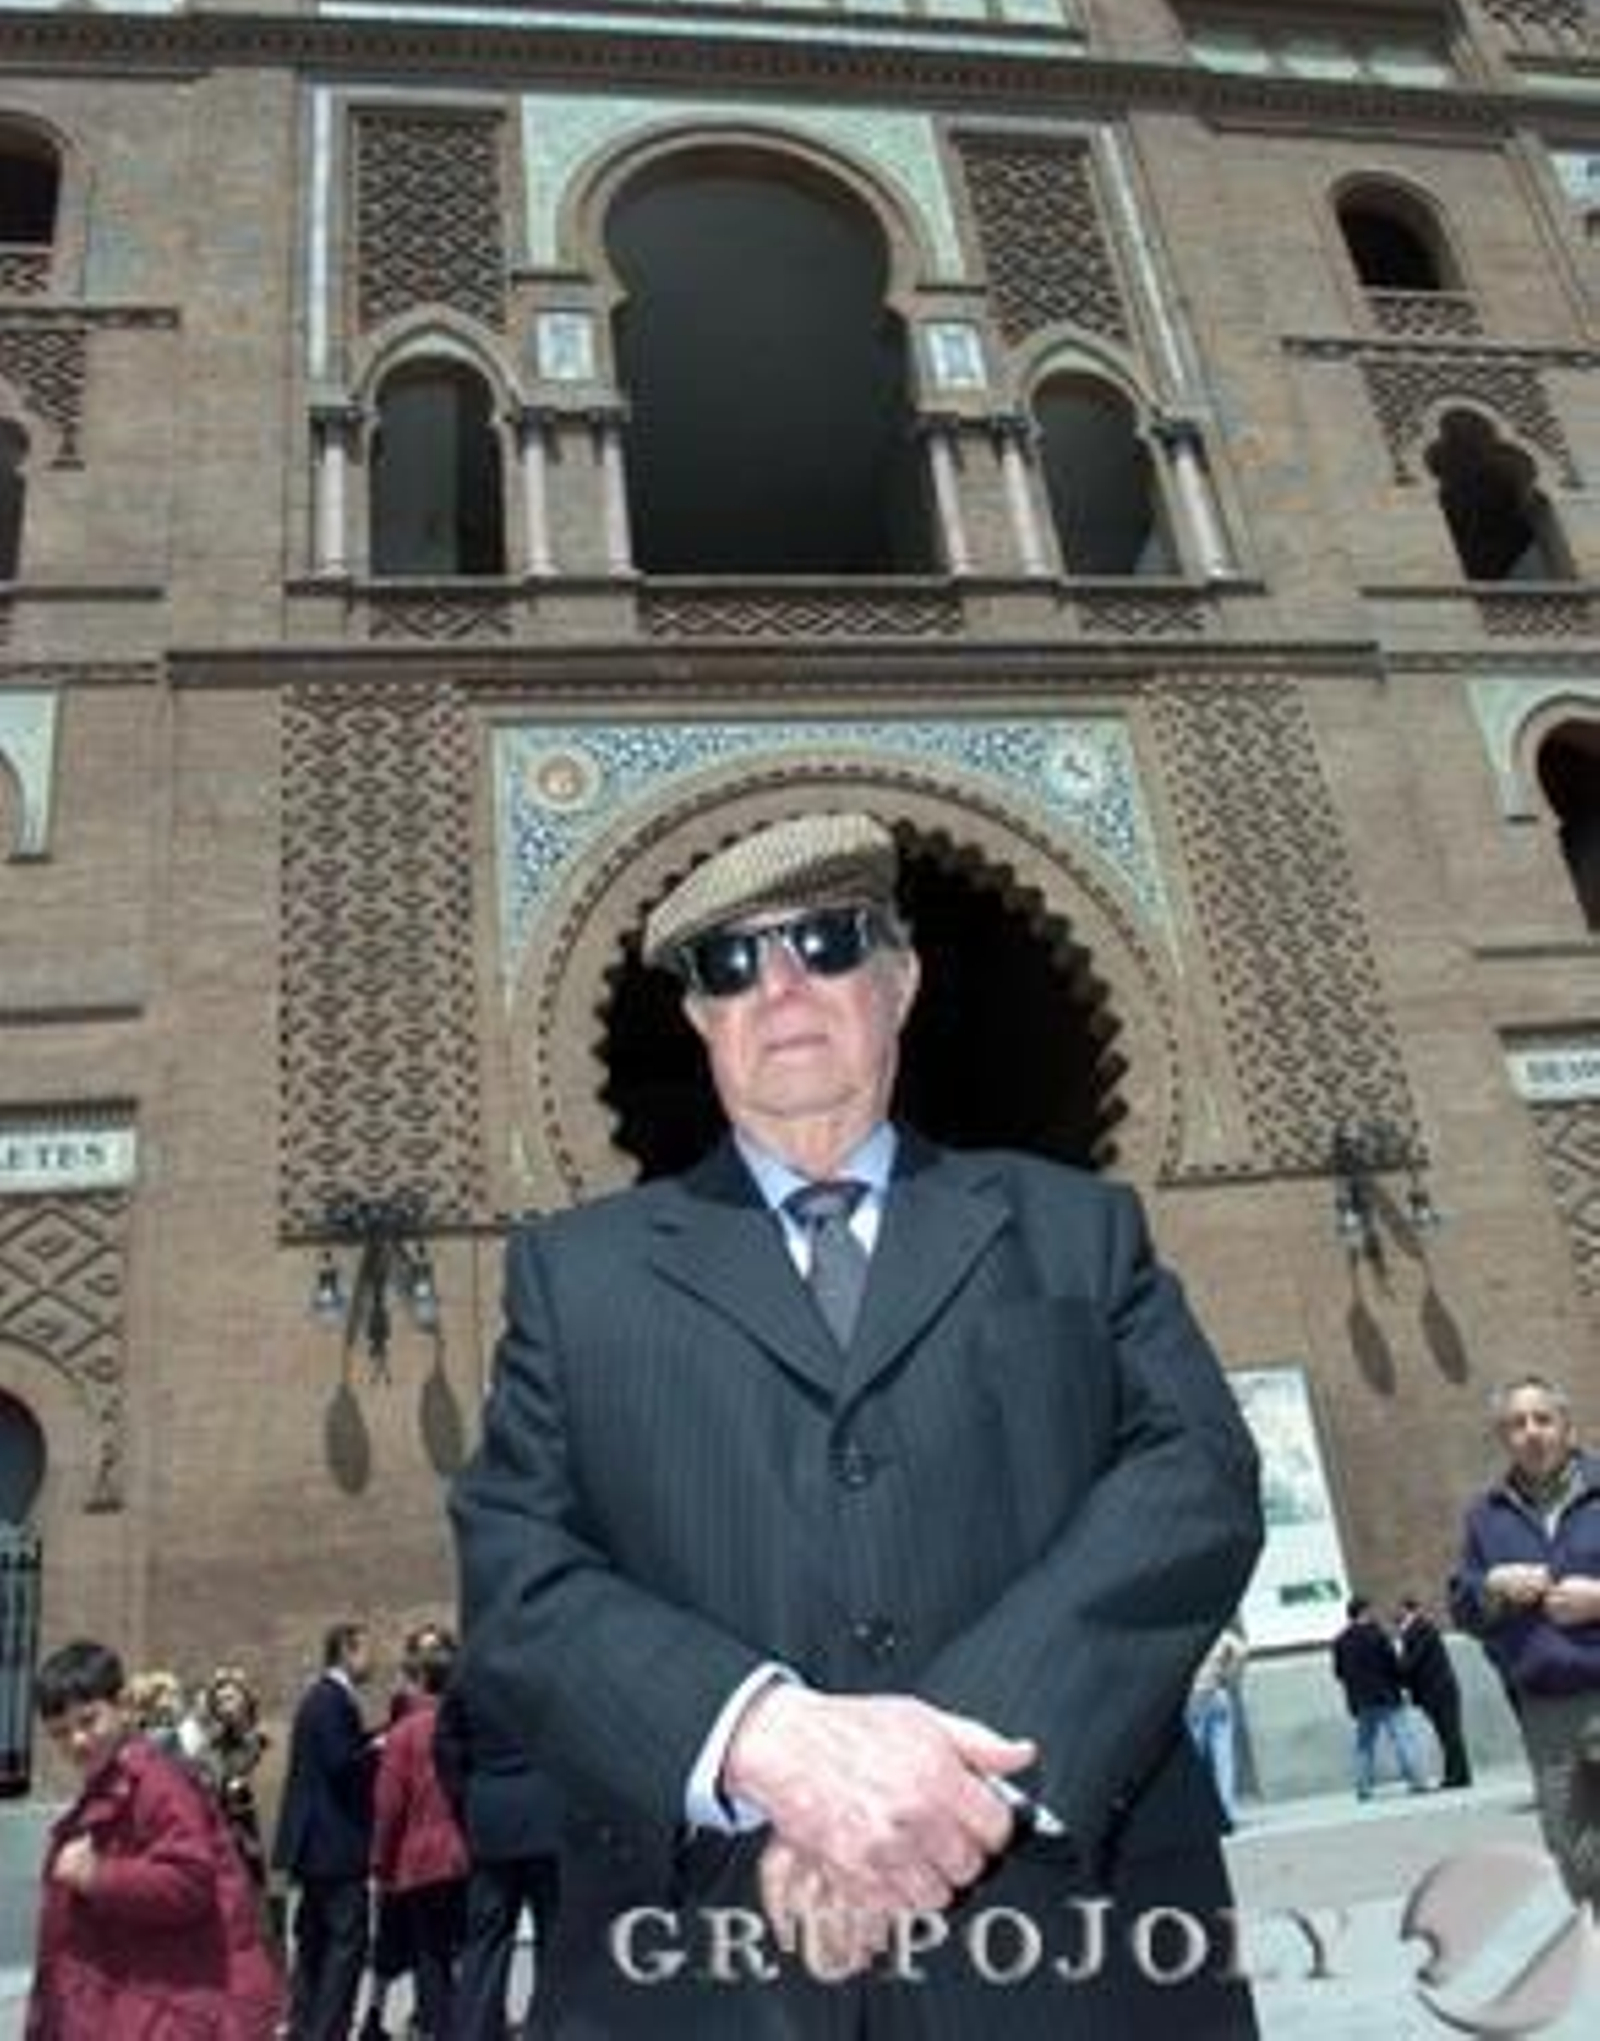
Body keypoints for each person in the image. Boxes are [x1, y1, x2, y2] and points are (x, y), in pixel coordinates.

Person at [451, 808, 1264, 2036]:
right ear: (698, 1019)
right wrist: (760, 1742)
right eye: (730, 965)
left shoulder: (1075, 1229)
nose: (780, 986)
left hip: (1080, 1951)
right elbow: (515, 1571)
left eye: (827, 943)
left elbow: (1195, 1476)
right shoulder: (576, 1280)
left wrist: (937, 1783)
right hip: (710, 1960)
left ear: (902, 979)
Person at [26, 1636, 283, 2039]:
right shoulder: (109, 1786)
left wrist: (99, 1876)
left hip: (180, 2008)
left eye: (88, 1721)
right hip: (150, 2004)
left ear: (123, 1706)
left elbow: (189, 1880)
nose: (77, 1740)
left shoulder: (157, 1782)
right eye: (60, 1732)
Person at [1449, 1373, 1600, 1904]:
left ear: (1567, 1427)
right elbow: (1462, 1605)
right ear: (1503, 1438)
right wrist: (1491, 1586)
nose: (1531, 1433)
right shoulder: (1486, 1515)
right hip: (1547, 1713)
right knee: (1576, 1854)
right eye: (1517, 1424)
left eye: (1543, 1419)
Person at [433, 1672, 563, 2041]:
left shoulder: (472, 1671)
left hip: (490, 1815)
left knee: (486, 1939)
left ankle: (475, 2031)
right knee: (553, 1936)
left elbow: (444, 1745)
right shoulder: (549, 1667)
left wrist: (467, 1798)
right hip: (546, 1815)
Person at [272, 1619, 378, 2041]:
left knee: (314, 1942)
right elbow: (341, 1764)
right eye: (366, 1650)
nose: (372, 1660)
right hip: (335, 1844)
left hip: (314, 1845)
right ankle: (327, 2029)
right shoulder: (332, 1700)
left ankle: (305, 2026)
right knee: (343, 1944)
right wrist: (376, 1751)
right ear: (347, 1650)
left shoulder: (318, 1699)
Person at [370, 1626, 470, 2040]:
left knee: (430, 1956)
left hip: (421, 1859)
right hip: (468, 1855)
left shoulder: (405, 1732)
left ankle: (439, 2029)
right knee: (471, 1948)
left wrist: (379, 1862)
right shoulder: (469, 1722)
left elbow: (389, 1804)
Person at [1330, 1596, 1428, 1801]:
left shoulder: (1340, 1641)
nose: (1375, 1613)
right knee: (1402, 1738)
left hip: (1361, 1700)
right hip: (1387, 1695)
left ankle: (1363, 1788)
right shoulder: (1378, 1635)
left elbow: (1338, 1673)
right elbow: (1393, 1665)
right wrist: (1402, 1682)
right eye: (1371, 1610)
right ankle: (1416, 1781)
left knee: (1364, 1744)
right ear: (1364, 1611)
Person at [193, 1665, 274, 1895]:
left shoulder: (267, 1742)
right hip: (229, 1848)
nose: (224, 1707)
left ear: (246, 1699)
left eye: (230, 1698)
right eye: (218, 1702)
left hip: (265, 1841)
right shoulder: (210, 1749)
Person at [1395, 1596, 1472, 1790]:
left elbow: (1413, 1661)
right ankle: (1456, 1774)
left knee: (1449, 1734)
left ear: (1407, 1610)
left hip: (1439, 1690)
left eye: (1399, 1610)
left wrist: (1394, 1672)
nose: (1395, 1615)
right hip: (1436, 1691)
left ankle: (1458, 1775)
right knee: (1447, 1734)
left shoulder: (1420, 1628)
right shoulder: (1414, 1630)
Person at [1186, 1622, 1248, 1830]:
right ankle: (1228, 1813)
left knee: (1195, 1762)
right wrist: (1230, 1676)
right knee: (1225, 1759)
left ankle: (1200, 1814)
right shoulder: (1220, 1636)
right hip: (1218, 1693)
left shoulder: (1186, 1636)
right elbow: (1241, 1651)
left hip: (1193, 1697)